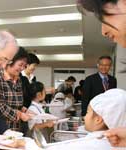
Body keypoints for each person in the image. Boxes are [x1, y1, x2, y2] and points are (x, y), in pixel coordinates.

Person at [77, 0, 126, 145]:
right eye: (102, 65)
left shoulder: (113, 80)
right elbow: (86, 98)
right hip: (95, 117)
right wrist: (86, 115)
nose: (103, 31)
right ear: (98, 66)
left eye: (103, 17)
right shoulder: (91, 79)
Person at [46, 89, 126, 150]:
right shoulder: (119, 144)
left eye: (87, 112)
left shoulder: (90, 145)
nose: (84, 117)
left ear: (98, 119)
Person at [0, 46, 31, 134]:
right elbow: (0, 105)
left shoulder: (18, 79)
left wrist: (24, 110)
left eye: (24, 66)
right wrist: (20, 115)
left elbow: (17, 103)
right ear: (10, 61)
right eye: (20, 65)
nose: (22, 68)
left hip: (15, 128)